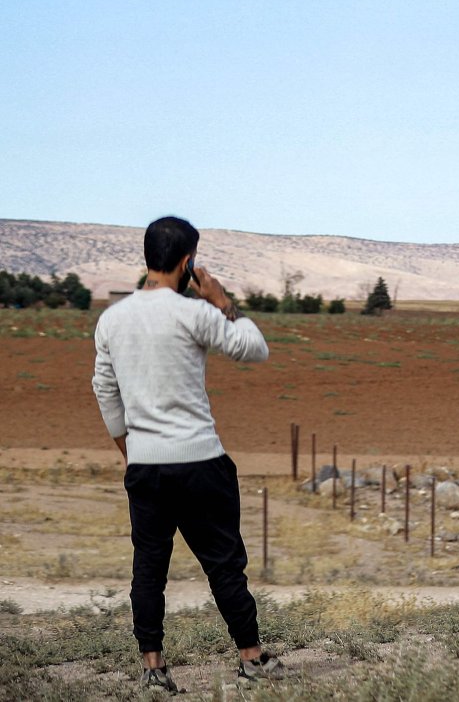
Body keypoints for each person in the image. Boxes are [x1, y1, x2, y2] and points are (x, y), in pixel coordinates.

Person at [92, 216, 289, 692]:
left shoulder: (111, 320)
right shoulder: (196, 314)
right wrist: (222, 302)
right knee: (224, 565)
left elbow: (104, 389)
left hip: (146, 466)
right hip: (201, 461)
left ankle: (153, 667)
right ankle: (251, 657)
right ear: (188, 262)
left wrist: (130, 449)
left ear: (147, 257)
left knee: (149, 568)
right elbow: (255, 349)